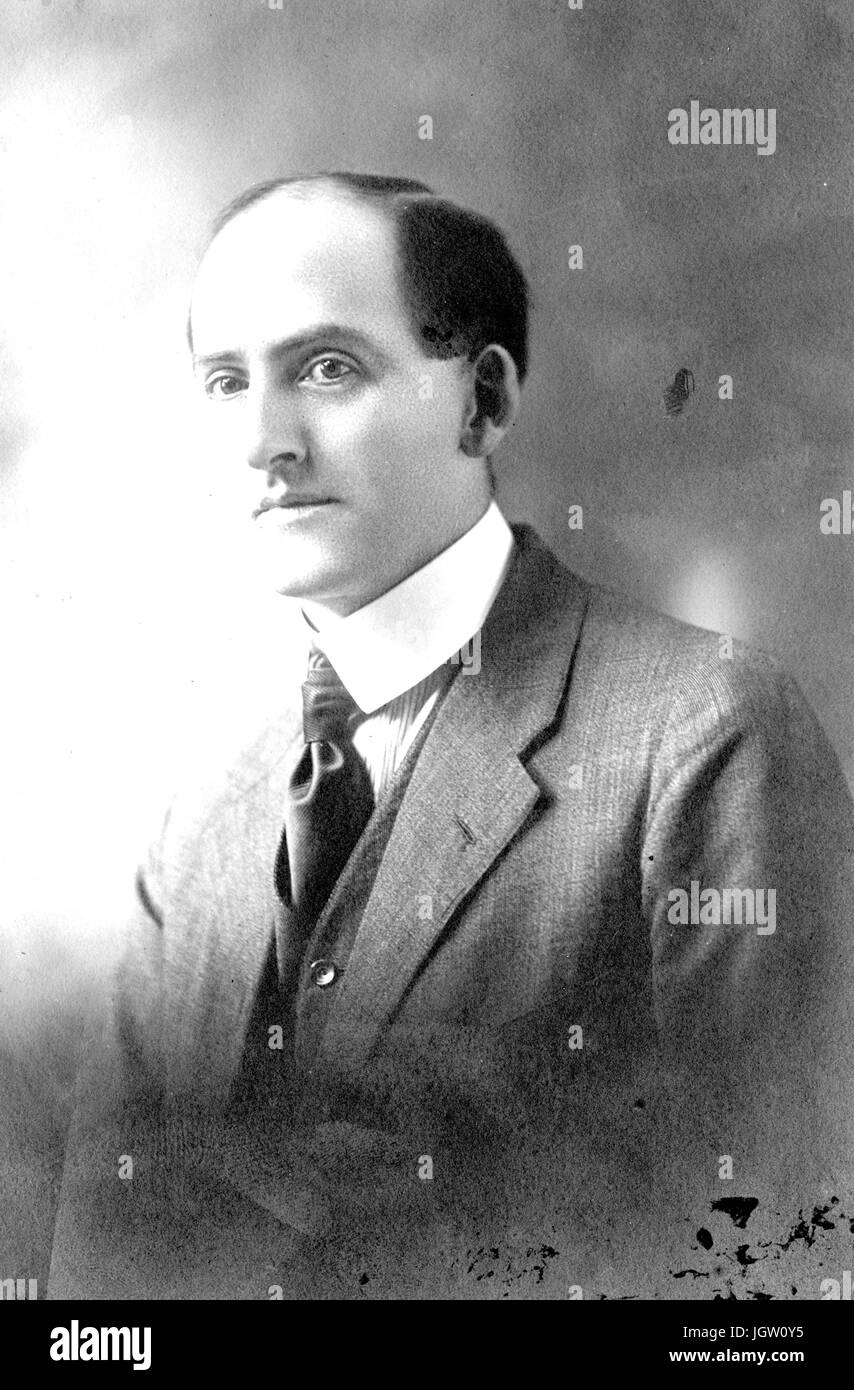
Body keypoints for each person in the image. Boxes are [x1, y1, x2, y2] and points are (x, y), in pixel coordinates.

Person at [48, 174, 854, 1300]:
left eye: (327, 369)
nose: (262, 441)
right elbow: (97, 1299)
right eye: (226, 382)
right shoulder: (202, 820)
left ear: (480, 400)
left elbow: (776, 1267)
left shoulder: (703, 734)